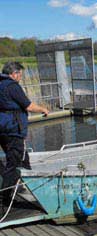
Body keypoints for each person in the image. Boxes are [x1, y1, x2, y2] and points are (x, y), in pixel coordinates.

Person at [0, 61, 49, 200]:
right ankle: (6, 198)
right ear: (14, 74)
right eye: (20, 74)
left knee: (22, 157)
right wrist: (43, 109)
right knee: (13, 163)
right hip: (13, 128)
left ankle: (29, 187)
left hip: (3, 128)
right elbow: (28, 106)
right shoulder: (12, 86)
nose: (20, 77)